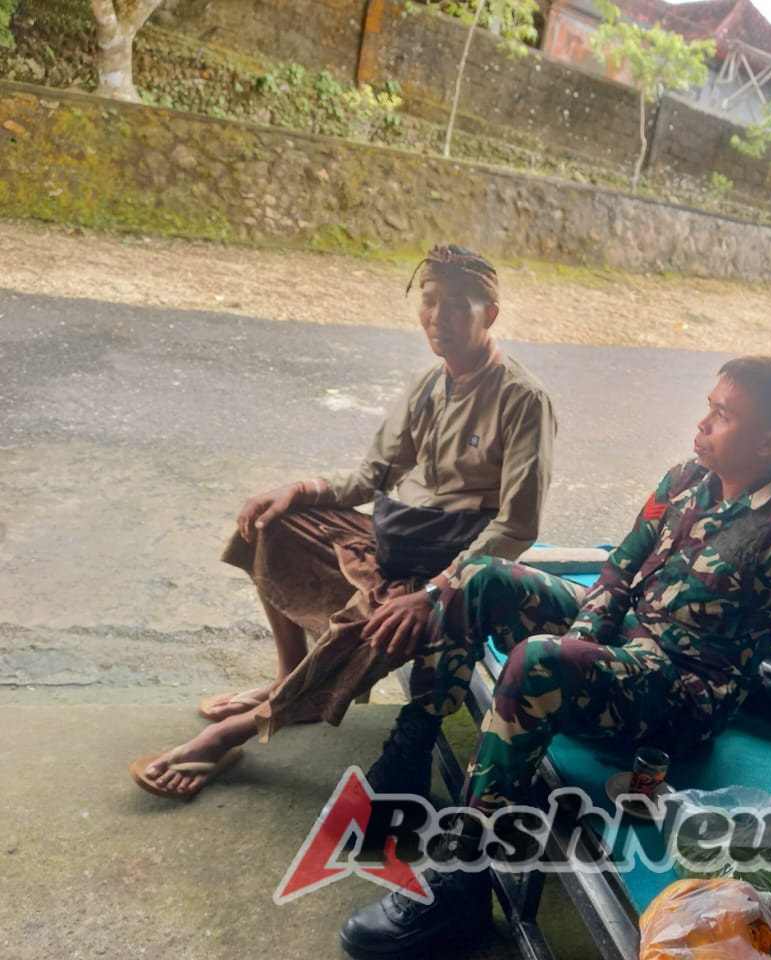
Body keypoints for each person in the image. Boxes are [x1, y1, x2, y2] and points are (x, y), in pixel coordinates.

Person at [338, 355, 771, 960]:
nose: (704, 422)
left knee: (537, 662)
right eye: (709, 406)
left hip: (681, 690)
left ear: (769, 440)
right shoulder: (687, 477)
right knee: (479, 577)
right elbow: (619, 570)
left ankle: (462, 883)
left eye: (723, 414)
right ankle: (408, 756)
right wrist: (588, 638)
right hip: (628, 636)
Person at [129, 244, 556, 801]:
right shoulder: (428, 385)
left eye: (456, 306)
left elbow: (516, 528)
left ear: (489, 314)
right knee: (272, 524)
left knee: (373, 629)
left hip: (444, 571)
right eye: (429, 303)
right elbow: (372, 476)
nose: (438, 318)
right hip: (387, 542)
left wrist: (434, 592)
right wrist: (300, 490)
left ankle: (233, 733)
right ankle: (287, 676)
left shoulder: (523, 400)